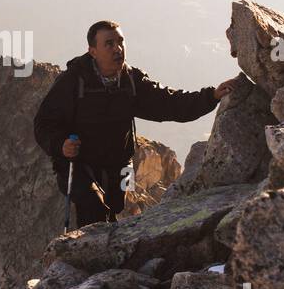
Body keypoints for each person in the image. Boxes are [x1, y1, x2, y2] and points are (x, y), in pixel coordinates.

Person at [33, 20, 238, 228]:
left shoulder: (131, 82)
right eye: (109, 44)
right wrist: (61, 144)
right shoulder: (73, 82)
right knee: (93, 208)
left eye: (120, 42)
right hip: (79, 164)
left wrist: (211, 96)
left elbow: (169, 103)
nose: (118, 49)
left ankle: (109, 251)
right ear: (92, 51)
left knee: (114, 210)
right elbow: (43, 123)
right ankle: (90, 255)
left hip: (118, 165)